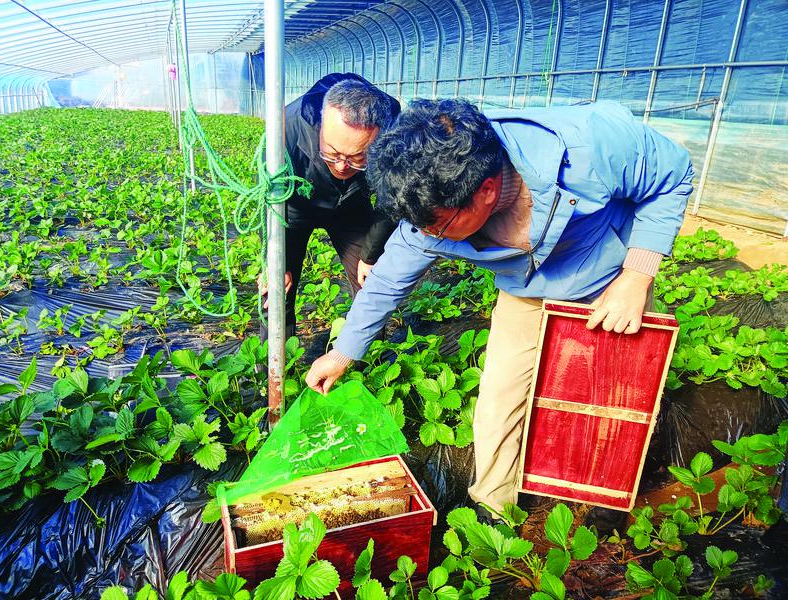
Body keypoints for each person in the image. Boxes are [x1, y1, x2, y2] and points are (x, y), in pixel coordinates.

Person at [305, 98, 694, 518]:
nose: (428, 236)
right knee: (499, 399)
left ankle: (602, 492)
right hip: (525, 287)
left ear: (486, 192)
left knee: (609, 398)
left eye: (437, 227)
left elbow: (672, 175)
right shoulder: (431, 208)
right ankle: (494, 509)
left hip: (608, 280)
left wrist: (636, 276)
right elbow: (387, 280)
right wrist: (343, 351)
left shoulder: (591, 144)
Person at [259, 73, 400, 338]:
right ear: (322, 121)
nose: (340, 166)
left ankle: (368, 362)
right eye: (331, 152)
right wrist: (273, 260)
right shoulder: (285, 127)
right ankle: (273, 364)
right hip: (293, 207)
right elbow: (267, 198)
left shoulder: (393, 134)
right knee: (277, 287)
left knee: (371, 283)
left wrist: (370, 257)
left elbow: (390, 198)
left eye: (356, 158)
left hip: (352, 206)